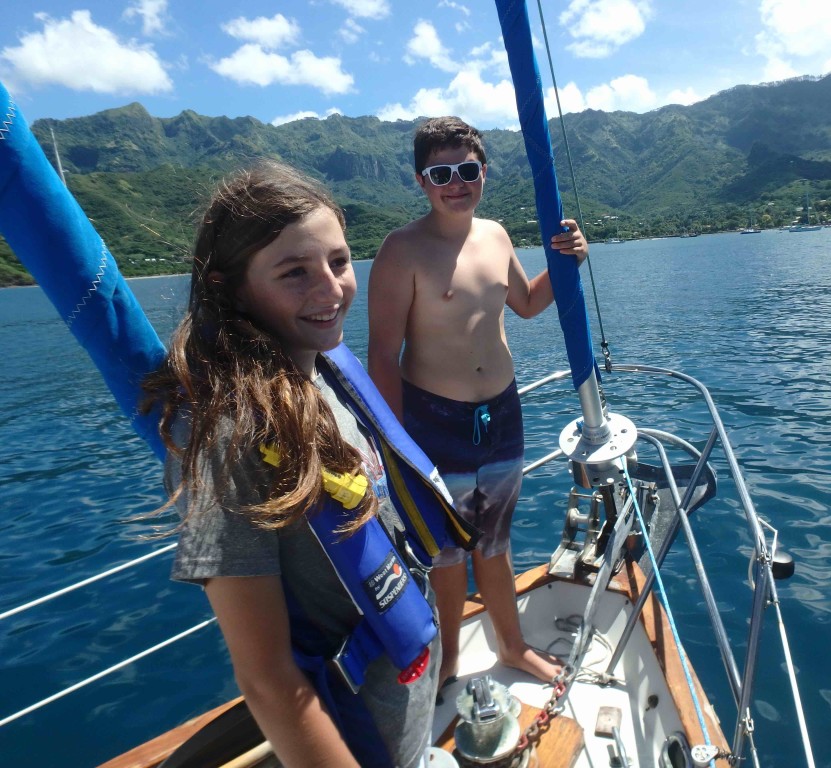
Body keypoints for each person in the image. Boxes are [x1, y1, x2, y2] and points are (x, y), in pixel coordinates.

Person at [142, 160, 467, 768]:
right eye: (295, 273)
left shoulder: (322, 367)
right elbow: (266, 678)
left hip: (407, 689)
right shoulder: (228, 435)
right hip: (358, 728)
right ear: (231, 287)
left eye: (339, 262)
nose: (330, 289)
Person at [367, 116, 589, 690]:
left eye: (467, 170)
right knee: (444, 554)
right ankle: (447, 660)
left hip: (501, 416)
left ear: (483, 173)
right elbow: (383, 355)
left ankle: (511, 647)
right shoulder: (401, 250)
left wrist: (566, 261)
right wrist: (391, 443)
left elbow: (527, 302)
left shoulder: (495, 235)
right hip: (431, 423)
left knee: (494, 543)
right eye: (441, 173)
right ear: (421, 181)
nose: (456, 182)